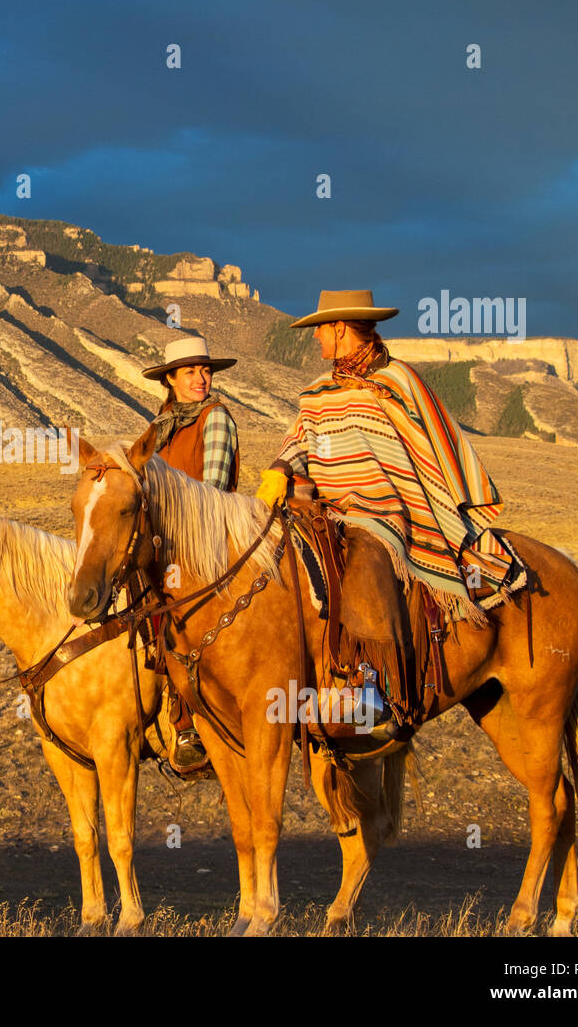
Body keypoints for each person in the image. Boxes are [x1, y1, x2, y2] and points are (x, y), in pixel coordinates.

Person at [255, 290, 526, 734]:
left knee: (366, 549)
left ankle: (370, 682)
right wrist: (282, 469)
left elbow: (436, 441)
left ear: (340, 328)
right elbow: (300, 442)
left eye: (320, 329)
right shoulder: (317, 393)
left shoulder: (398, 381)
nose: (317, 338)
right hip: (326, 508)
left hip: (391, 508)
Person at [141, 334, 241, 768]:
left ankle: (187, 728)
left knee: (180, 622)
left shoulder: (215, 419)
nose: (201, 379)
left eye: (205, 371)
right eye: (190, 372)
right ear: (170, 379)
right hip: (167, 541)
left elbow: (211, 493)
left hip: (202, 541)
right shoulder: (162, 423)